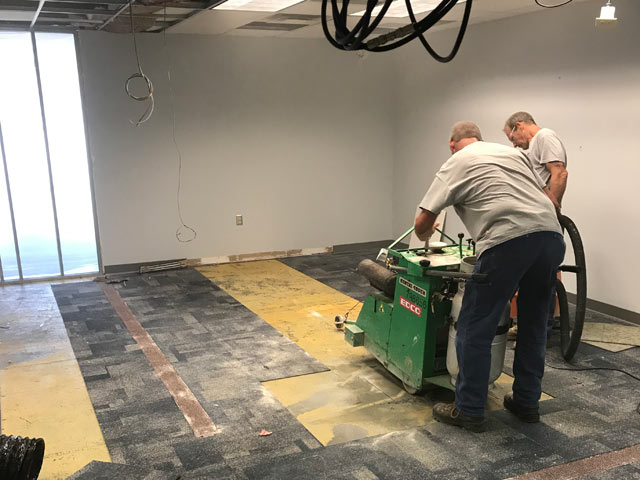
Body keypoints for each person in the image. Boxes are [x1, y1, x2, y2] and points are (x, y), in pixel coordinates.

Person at [414, 121, 565, 432]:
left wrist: (428, 230)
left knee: (474, 326)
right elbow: (541, 196)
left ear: (452, 144)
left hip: (506, 241)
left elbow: (421, 224)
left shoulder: (454, 162)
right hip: (550, 237)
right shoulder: (513, 154)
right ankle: (526, 402)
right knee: (535, 325)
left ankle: (468, 408)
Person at [503, 112, 568, 341]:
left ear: (519, 126)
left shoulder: (545, 137)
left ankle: (540, 331)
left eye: (513, 138)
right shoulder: (530, 148)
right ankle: (525, 325)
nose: (514, 144)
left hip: (542, 221)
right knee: (527, 274)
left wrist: (553, 207)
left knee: (542, 276)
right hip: (527, 221)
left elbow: (559, 172)